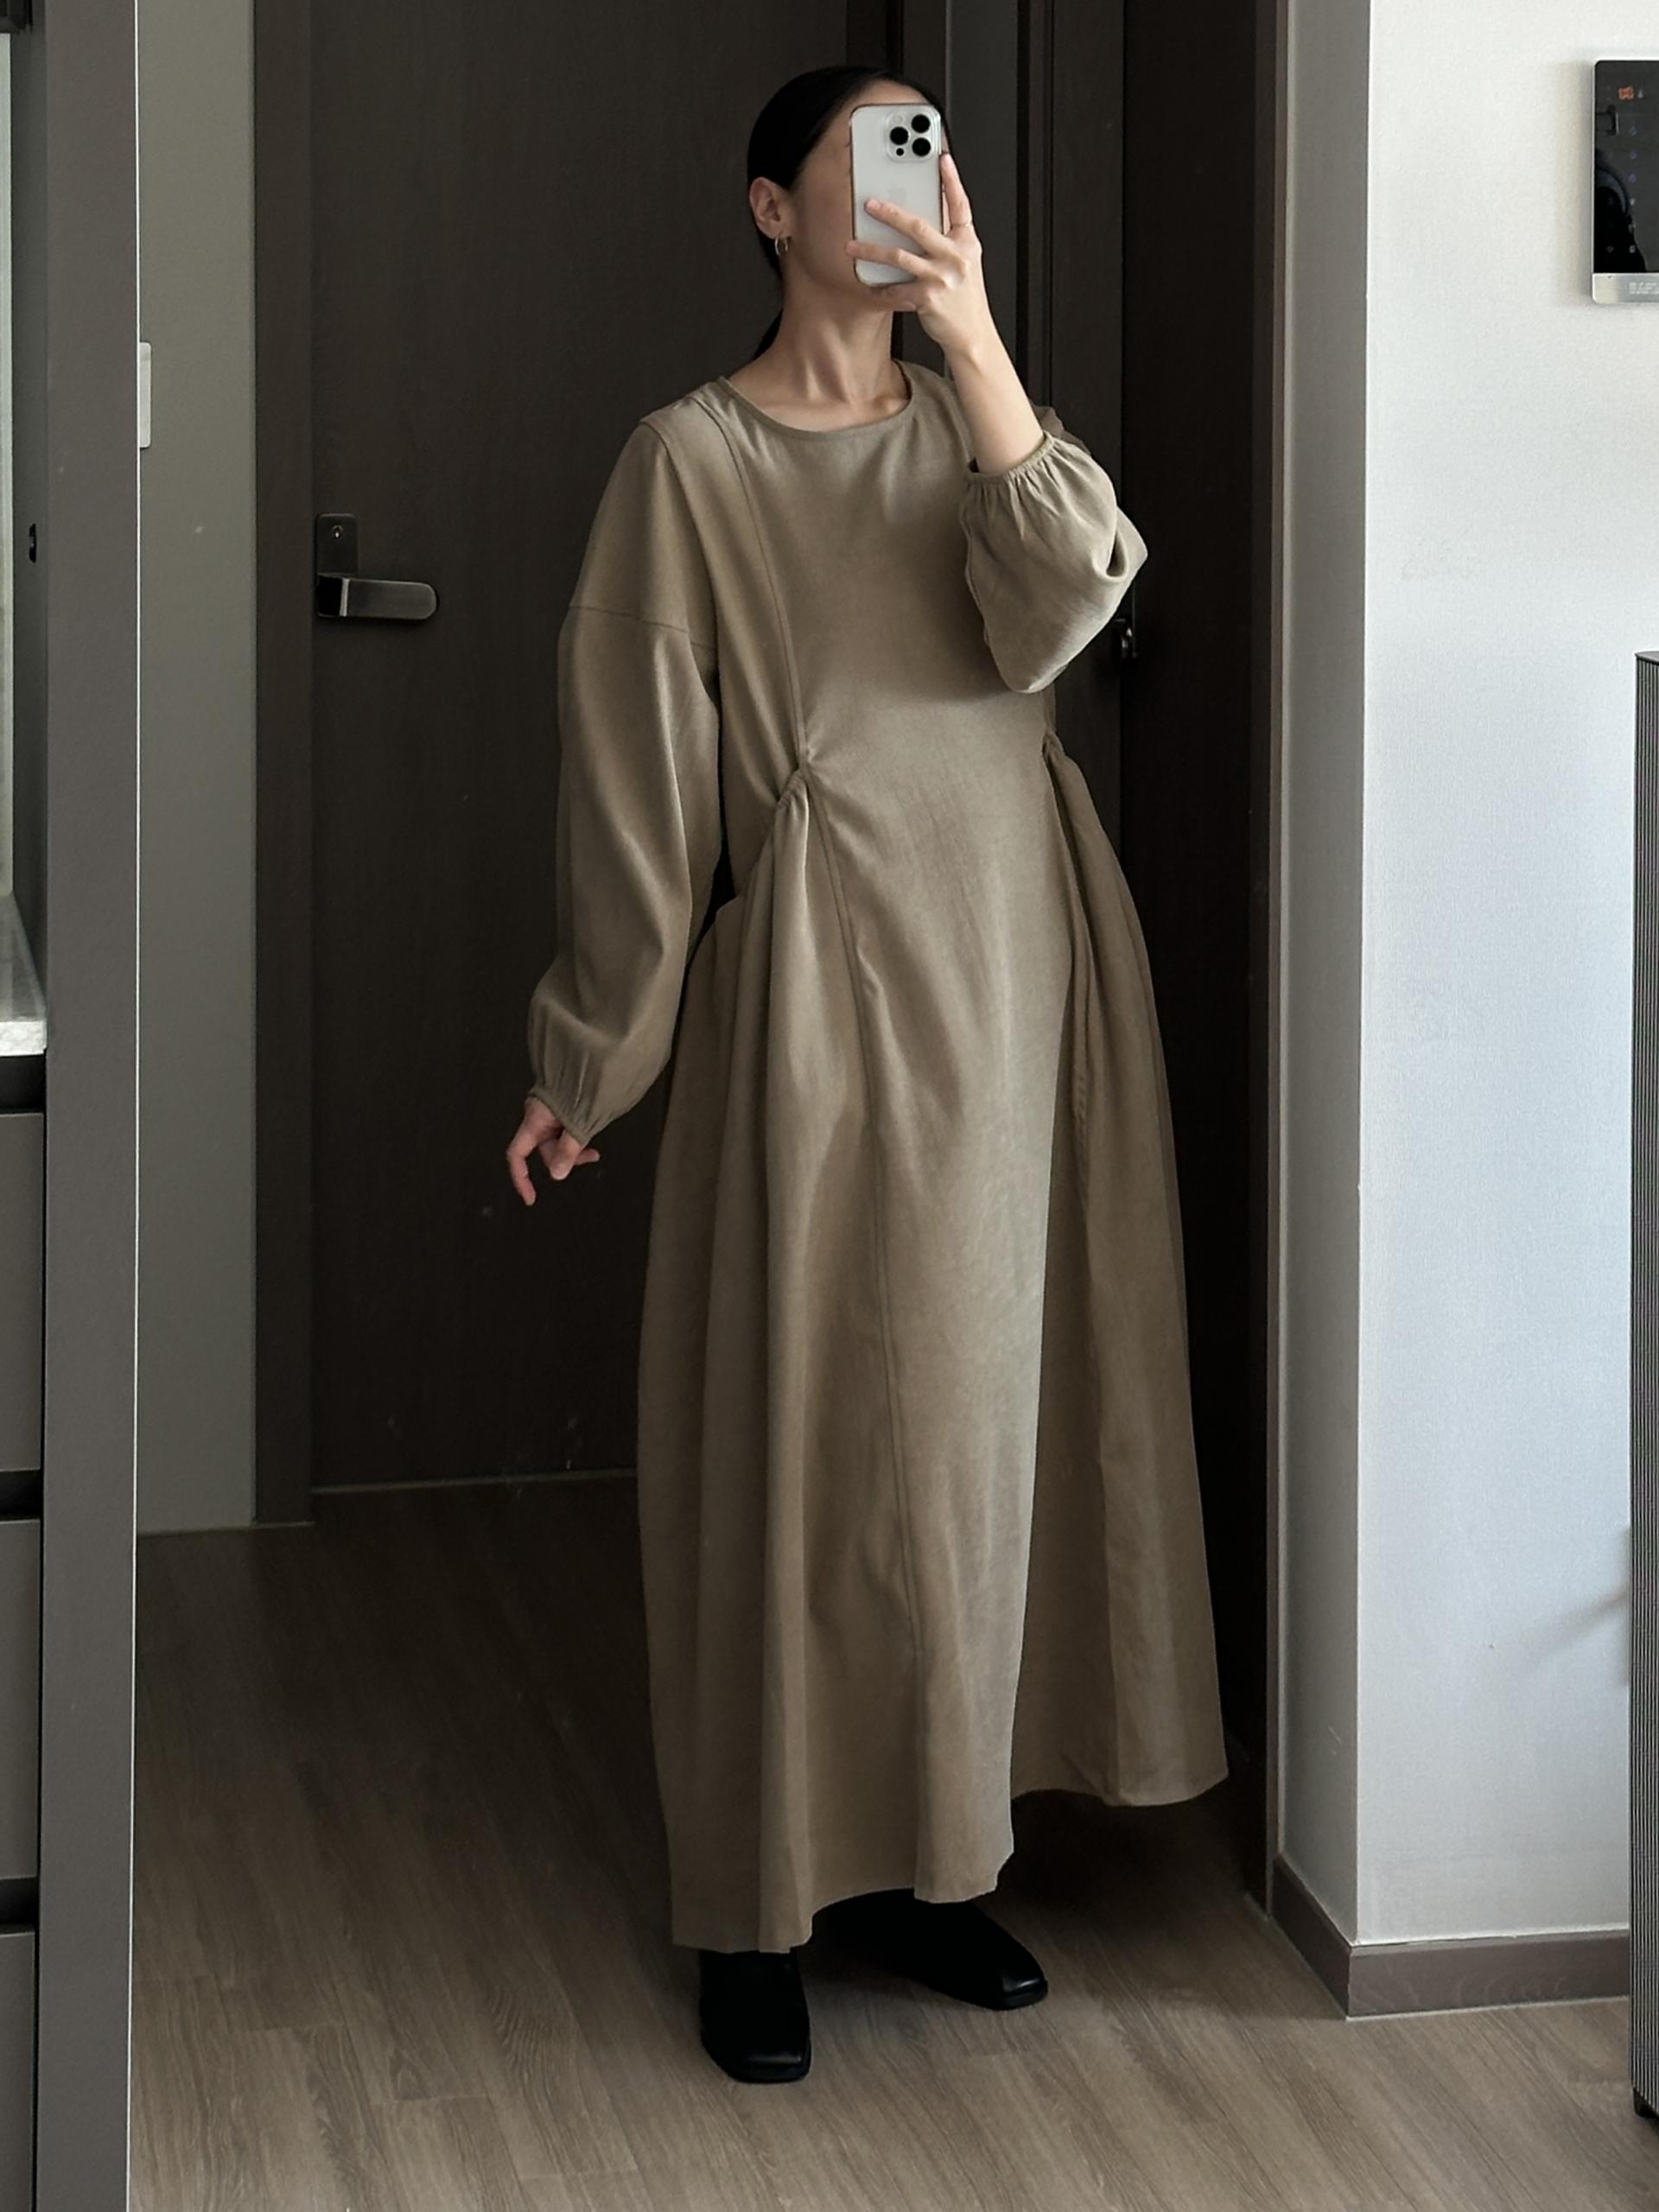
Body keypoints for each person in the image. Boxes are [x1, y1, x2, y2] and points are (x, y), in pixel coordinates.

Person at [505, 64, 1228, 2085]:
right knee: (808, 1435)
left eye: (935, 149)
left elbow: (1075, 597)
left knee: (990, 1431)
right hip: (828, 975)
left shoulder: (974, 429)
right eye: (872, 152)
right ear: (770, 206)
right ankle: (759, 1902)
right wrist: (592, 1048)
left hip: (1021, 960)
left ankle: (930, 1862)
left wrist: (976, 337)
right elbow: (639, 781)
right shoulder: (690, 461)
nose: (919, 180)